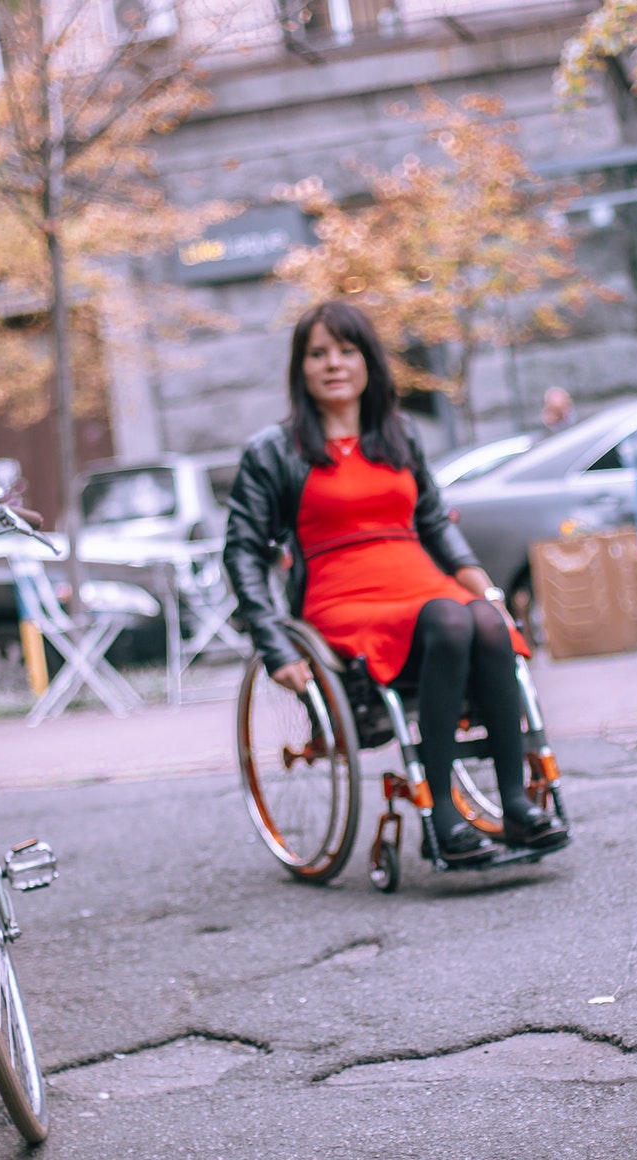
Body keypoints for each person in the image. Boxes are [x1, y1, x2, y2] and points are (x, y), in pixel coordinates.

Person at [224, 301, 569, 864]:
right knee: (450, 616)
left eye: (346, 350)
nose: (334, 364)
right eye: (318, 354)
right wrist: (272, 641)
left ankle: (516, 804)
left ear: (368, 363)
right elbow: (243, 550)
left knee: (483, 616)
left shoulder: (398, 433)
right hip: (341, 595)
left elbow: (432, 519)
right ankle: (444, 814)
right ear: (301, 368)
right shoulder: (274, 450)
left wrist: (476, 577)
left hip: (418, 575)